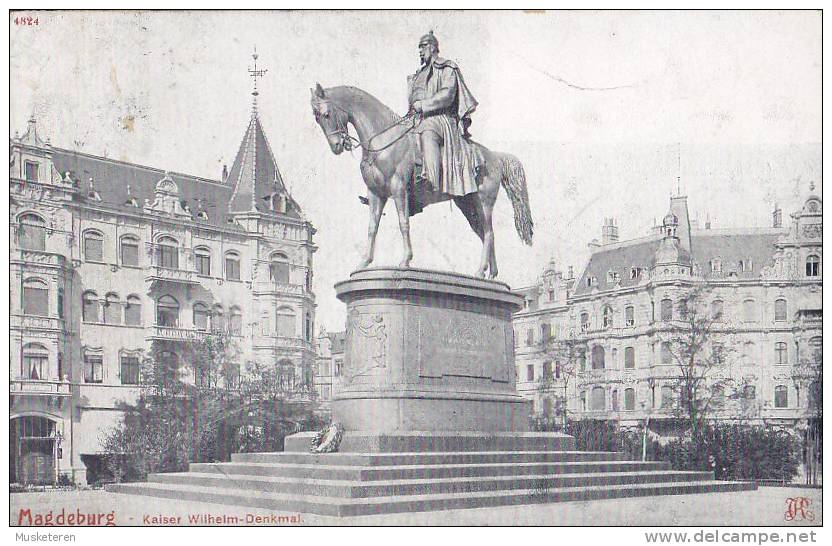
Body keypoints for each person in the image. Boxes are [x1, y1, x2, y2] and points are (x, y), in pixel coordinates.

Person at [407, 31, 483, 196]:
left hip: (440, 119)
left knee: (427, 130)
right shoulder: (417, 75)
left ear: (433, 47)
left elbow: (447, 95)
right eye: (419, 47)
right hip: (416, 119)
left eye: (423, 46)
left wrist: (424, 105)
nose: (420, 51)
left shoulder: (447, 68)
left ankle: (430, 181)